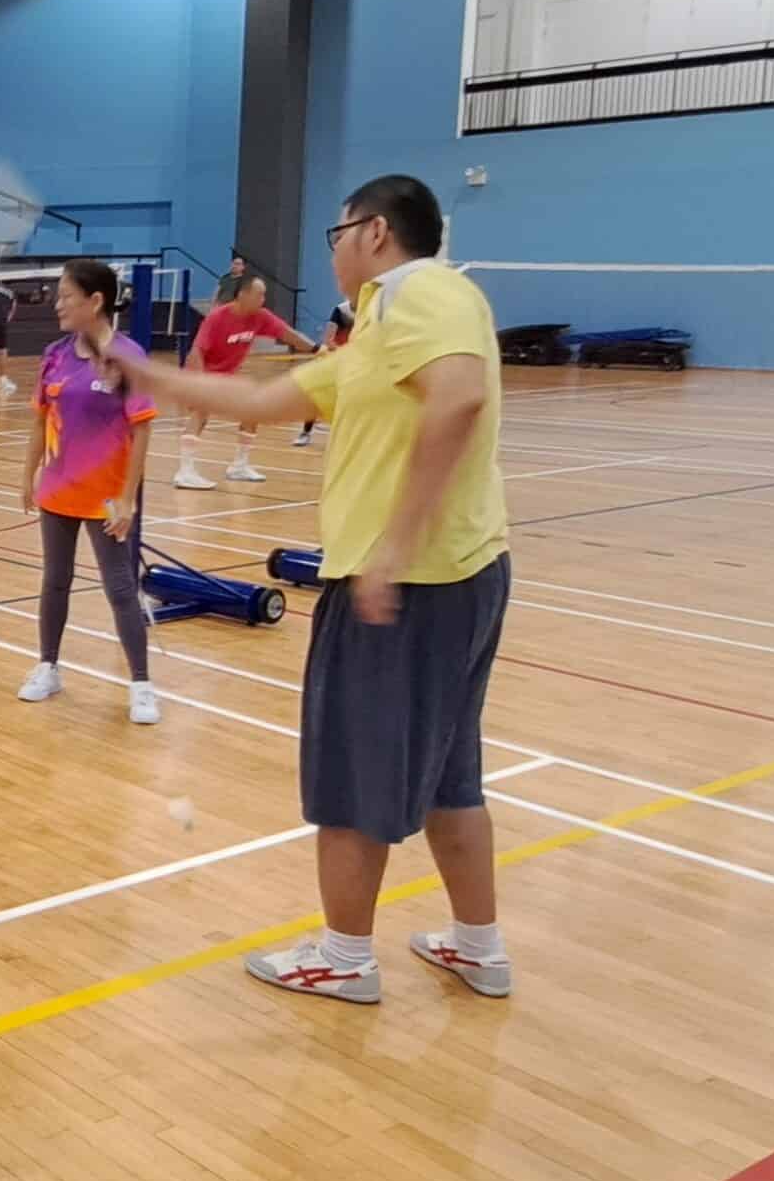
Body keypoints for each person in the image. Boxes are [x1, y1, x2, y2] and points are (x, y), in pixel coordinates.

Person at [86, 175, 511, 1005]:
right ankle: (477, 946)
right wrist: (149, 378)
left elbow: (459, 398)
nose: (336, 249)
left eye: (338, 232)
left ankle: (345, 956)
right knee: (450, 775)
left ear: (377, 233)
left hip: (410, 584)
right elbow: (257, 397)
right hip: (456, 577)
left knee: (354, 774)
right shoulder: (374, 341)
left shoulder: (418, 291)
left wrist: (391, 548)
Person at [17, 260, 159, 724]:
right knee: (54, 580)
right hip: (58, 491)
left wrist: (128, 496)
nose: (58, 304)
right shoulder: (54, 355)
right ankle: (48, 666)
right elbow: (40, 420)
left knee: (119, 588)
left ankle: (141, 684)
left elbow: (141, 431)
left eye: (66, 295)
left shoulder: (127, 356)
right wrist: (28, 474)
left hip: (104, 497)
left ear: (95, 301)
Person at [174, 267, 315, 489]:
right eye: (259, 294)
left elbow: (289, 334)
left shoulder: (261, 317)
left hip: (228, 376)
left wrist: (317, 348)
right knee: (201, 413)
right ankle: (185, 471)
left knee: (253, 407)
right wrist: (201, 384)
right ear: (242, 295)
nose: (263, 299)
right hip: (202, 374)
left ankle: (239, 466)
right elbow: (196, 352)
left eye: (264, 295)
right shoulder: (217, 318)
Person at [293, 300, 355, 446]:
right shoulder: (341, 310)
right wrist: (345, 352)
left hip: (357, 362)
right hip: (336, 358)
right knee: (316, 395)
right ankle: (305, 433)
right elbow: (328, 339)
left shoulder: (372, 307)